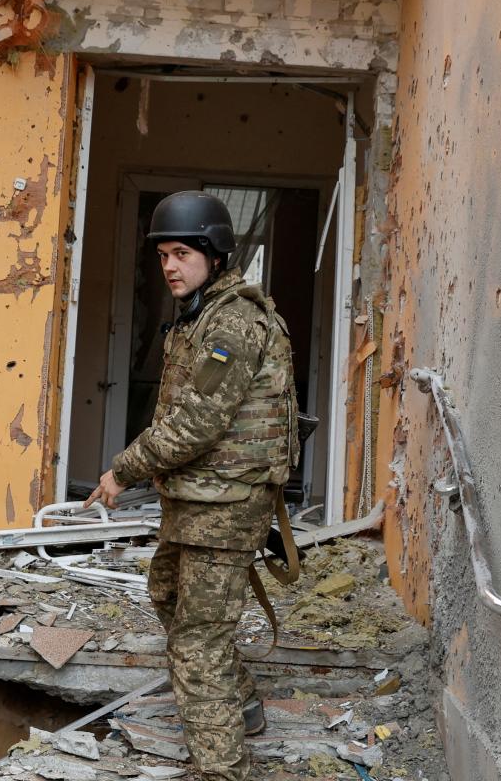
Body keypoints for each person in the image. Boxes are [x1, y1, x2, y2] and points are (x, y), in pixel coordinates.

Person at [85, 190, 299, 781]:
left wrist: (122, 469)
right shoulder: (200, 315)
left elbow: (196, 422)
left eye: (182, 253)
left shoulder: (234, 323)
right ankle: (244, 705)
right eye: (163, 257)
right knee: (167, 594)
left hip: (226, 505)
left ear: (215, 254)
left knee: (199, 641)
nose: (171, 267)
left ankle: (220, 769)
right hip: (198, 500)